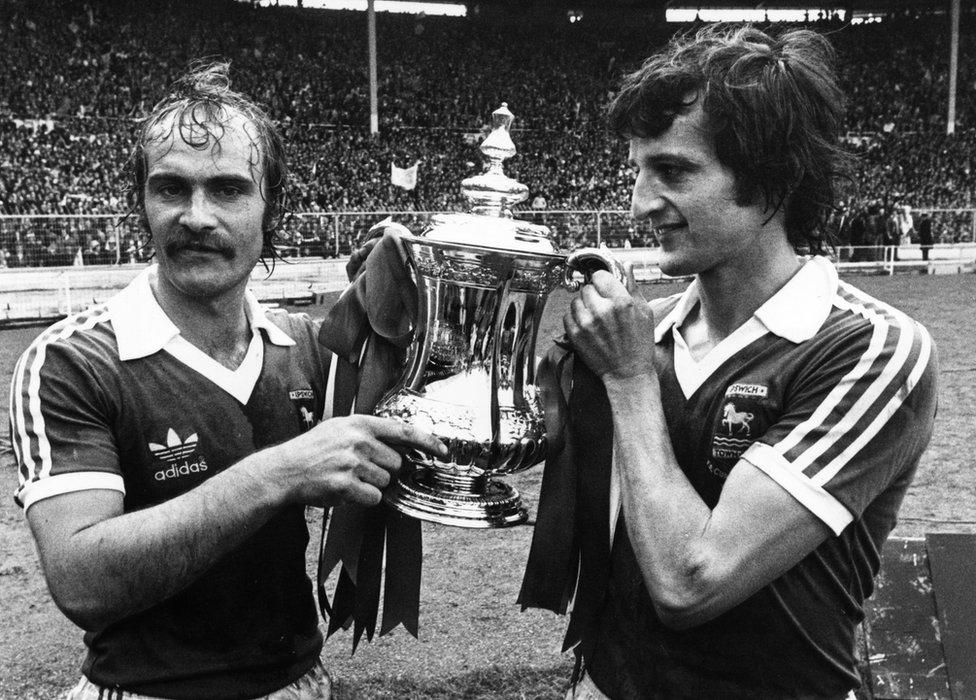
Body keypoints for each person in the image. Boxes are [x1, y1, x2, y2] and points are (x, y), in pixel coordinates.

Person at [521, 25, 938, 699]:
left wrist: (631, 381)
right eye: (637, 169)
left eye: (674, 172)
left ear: (772, 181)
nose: (638, 203)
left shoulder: (873, 351)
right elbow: (507, 440)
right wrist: (399, 323)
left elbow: (692, 582)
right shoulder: (644, 329)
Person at [9, 62, 445, 700]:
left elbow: (420, 428)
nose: (196, 216)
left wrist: (405, 316)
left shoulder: (308, 348)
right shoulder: (73, 360)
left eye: (228, 190)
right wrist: (279, 473)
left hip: (300, 684)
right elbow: (82, 582)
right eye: (170, 189)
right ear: (142, 203)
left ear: (273, 209)